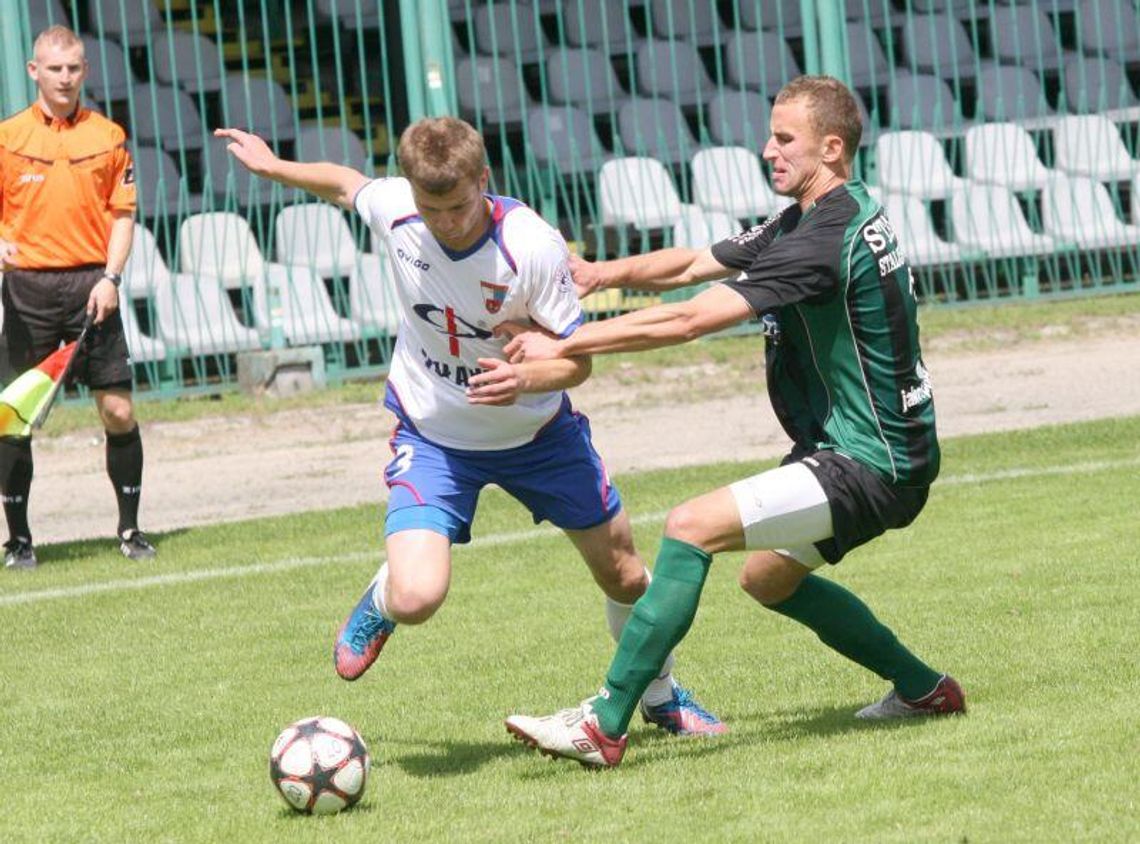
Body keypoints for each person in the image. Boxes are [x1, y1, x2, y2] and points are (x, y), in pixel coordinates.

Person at [500, 76, 965, 769]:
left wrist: (566, 344)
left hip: (871, 462)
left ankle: (603, 725)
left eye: (785, 140)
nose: (767, 150)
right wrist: (598, 274)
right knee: (766, 579)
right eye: (770, 136)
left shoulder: (819, 240)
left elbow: (690, 318)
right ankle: (925, 690)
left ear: (831, 147)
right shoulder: (813, 218)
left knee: (689, 527)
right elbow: (694, 263)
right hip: (880, 451)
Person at [215, 116, 724, 735]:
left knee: (623, 572)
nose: (447, 221)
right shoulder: (399, 210)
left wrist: (526, 379)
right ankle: (383, 599)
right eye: (433, 209)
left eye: (459, 206)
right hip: (434, 434)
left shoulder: (532, 246)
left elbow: (579, 362)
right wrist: (274, 167)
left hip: (538, 435)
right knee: (416, 598)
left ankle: (660, 695)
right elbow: (345, 184)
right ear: (411, 192)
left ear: (483, 179)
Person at [0, 26, 155, 569]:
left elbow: (123, 216)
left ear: (85, 70)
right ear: (33, 72)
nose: (65, 78)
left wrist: (110, 278)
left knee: (117, 409)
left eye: (74, 68)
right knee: (15, 418)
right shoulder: (8, 137)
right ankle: (19, 541)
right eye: (55, 68)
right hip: (28, 291)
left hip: (93, 286)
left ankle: (131, 530)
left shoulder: (109, 136)